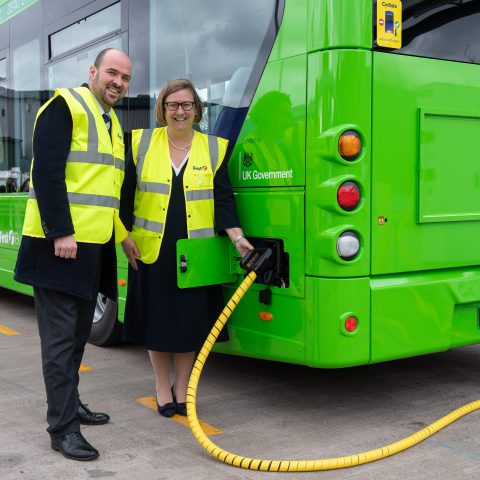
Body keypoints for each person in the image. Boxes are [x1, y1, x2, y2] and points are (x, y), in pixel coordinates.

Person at [14, 48, 132, 461]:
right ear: (93, 72)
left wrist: (122, 237)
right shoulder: (66, 105)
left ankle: (72, 405)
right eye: (112, 73)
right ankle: (62, 429)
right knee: (60, 343)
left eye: (125, 78)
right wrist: (61, 232)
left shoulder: (112, 122)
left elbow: (106, 195)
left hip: (92, 249)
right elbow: (46, 171)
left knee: (79, 336)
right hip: (59, 248)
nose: (118, 82)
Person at [120, 79, 253, 418]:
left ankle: (183, 387)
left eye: (187, 105)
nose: (180, 111)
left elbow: (223, 201)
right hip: (152, 249)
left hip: (195, 252)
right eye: (172, 105)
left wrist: (238, 238)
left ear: (197, 109)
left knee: (188, 323)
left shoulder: (215, 148)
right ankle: (161, 387)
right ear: (162, 110)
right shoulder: (139, 143)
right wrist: (122, 236)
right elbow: (122, 196)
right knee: (157, 321)